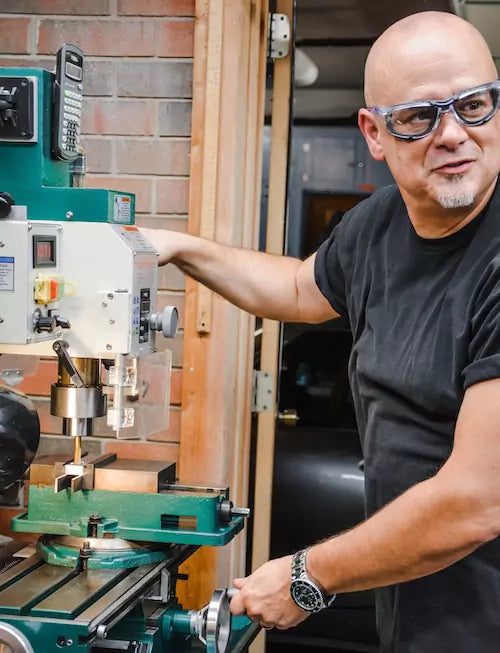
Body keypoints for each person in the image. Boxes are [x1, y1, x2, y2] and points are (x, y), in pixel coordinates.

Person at [141, 10, 500, 652]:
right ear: (374, 132)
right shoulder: (379, 224)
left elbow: (476, 500)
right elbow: (300, 289)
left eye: (474, 105)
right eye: (419, 116)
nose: (454, 135)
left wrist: (306, 578)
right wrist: (173, 247)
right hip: (422, 612)